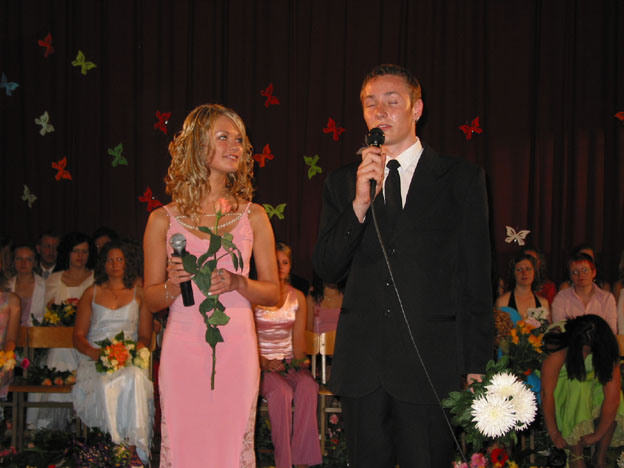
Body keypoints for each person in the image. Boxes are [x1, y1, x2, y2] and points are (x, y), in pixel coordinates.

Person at [313, 64, 494, 467]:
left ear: (417, 109)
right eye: (370, 103)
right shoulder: (343, 182)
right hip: (363, 366)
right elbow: (327, 268)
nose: (380, 111)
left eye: (392, 101)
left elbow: (476, 278)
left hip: (431, 362)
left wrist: (476, 364)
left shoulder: (461, 179)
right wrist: (359, 205)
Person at [143, 103, 279, 468]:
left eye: (239, 140)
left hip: (237, 349)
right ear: (198, 145)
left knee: (231, 448)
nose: (235, 146)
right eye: (223, 137)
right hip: (183, 349)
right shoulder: (161, 220)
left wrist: (238, 282)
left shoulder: (254, 216)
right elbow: (151, 300)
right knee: (185, 448)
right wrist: (173, 286)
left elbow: (273, 293)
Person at [72, 240, 153, 466]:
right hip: (96, 358)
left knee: (134, 378)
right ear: (103, 264)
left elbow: (145, 336)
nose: (115, 264)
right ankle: (112, 446)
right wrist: (95, 353)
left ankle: (134, 447)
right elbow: (78, 336)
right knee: (107, 383)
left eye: (119, 259)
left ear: (127, 263)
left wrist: (132, 352)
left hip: (128, 358)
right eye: (110, 260)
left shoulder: (140, 294)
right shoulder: (91, 293)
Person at [254, 242, 322, 468]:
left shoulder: (298, 297)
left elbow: (298, 343)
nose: (280, 267)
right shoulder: (254, 295)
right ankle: (284, 462)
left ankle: (302, 460)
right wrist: (264, 362)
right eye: (275, 262)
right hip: (260, 366)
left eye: (285, 262)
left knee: (308, 386)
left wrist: (301, 361)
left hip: (287, 363)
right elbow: (247, 340)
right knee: (282, 392)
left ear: (290, 265)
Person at [541, 315, 624, 468]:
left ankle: (600, 456)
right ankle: (576, 454)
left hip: (590, 380)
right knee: (578, 388)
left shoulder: (606, 349)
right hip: (561, 383)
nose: (584, 356)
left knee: (615, 395)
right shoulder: (558, 344)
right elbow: (547, 393)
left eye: (589, 352)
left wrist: (597, 434)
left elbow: (613, 399)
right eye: (583, 350)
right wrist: (554, 433)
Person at [32, 232, 96, 429]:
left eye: (84, 251)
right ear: (67, 253)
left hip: (88, 339)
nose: (80, 256)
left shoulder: (96, 278)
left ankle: (85, 426)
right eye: (75, 251)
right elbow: (50, 310)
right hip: (60, 339)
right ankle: (53, 429)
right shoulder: (55, 278)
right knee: (60, 352)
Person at [552, 252, 617, 334]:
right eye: (575, 272)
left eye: (585, 270)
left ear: (593, 272)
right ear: (570, 276)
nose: (580, 275)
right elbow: (559, 330)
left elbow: (611, 332)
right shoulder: (561, 298)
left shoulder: (607, 299)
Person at [495, 252, 550, 324]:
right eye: (519, 270)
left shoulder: (543, 303)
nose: (524, 273)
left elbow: (550, 330)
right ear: (513, 273)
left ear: (534, 272)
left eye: (528, 269)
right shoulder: (502, 302)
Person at [7, 243, 46, 326]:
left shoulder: (45, 286)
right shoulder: (5, 286)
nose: (23, 263)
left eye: (28, 259)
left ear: (35, 263)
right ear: (13, 262)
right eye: (19, 258)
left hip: (37, 332)